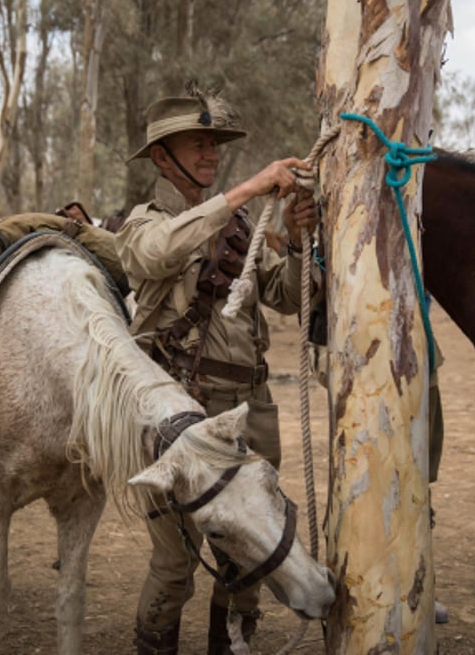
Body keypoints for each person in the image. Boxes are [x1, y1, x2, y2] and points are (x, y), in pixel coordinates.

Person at [116, 87, 319, 655]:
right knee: (176, 564)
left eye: (213, 144)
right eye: (198, 144)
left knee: (248, 559)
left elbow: (284, 294)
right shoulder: (143, 222)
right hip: (181, 414)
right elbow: (154, 255)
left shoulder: (239, 223)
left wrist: (300, 240)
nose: (211, 154)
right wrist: (248, 188)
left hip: (250, 406)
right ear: (162, 157)